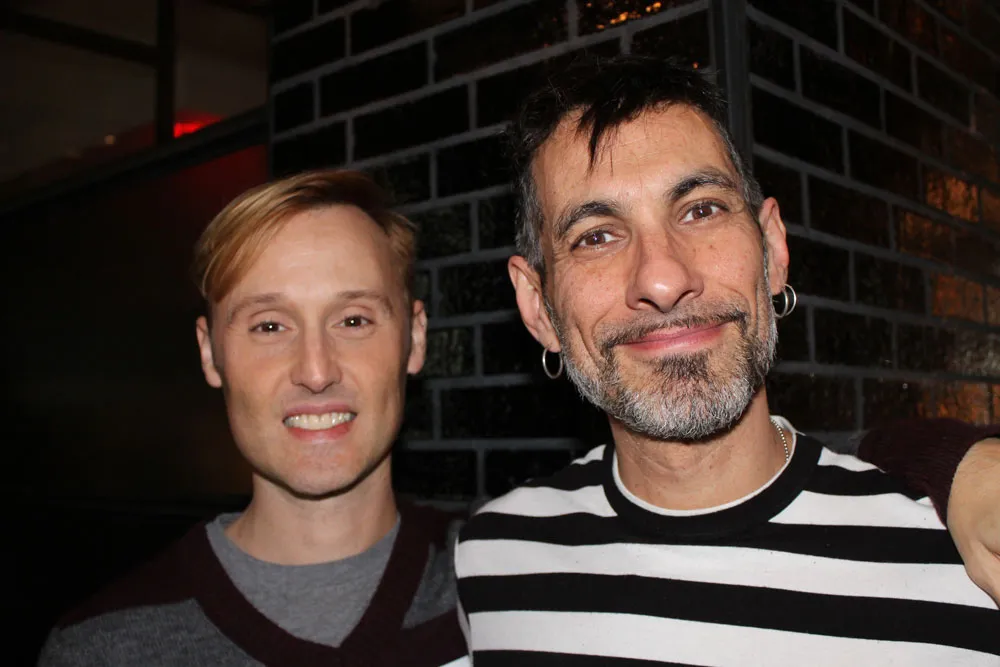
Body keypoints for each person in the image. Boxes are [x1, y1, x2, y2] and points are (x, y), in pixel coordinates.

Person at [455, 55, 1000, 665]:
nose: (663, 280)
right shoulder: (492, 563)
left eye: (701, 209)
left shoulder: (968, 560)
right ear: (538, 306)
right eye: (596, 237)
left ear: (773, 249)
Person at [37, 171, 468, 666]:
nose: (316, 372)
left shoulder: (509, 577)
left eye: (353, 320)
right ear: (209, 352)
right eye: (269, 326)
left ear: (414, 338)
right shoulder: (102, 649)